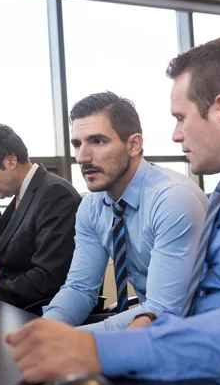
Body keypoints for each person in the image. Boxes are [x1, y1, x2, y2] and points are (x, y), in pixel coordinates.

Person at [5, 37, 220, 385]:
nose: (176, 135)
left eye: (181, 118)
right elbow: (195, 309)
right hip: (200, 367)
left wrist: (101, 348)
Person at [41, 91, 208, 331]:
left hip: (196, 333)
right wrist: (46, 329)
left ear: (134, 144)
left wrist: (67, 341)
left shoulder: (173, 199)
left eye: (97, 141)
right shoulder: (91, 206)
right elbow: (80, 288)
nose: (82, 157)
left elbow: (163, 309)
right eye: (77, 144)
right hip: (144, 330)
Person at [0, 124, 81, 313]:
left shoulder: (54, 193)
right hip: (14, 310)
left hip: (36, 315)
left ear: (11, 161)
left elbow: (48, 278)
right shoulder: (22, 193)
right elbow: (3, 258)